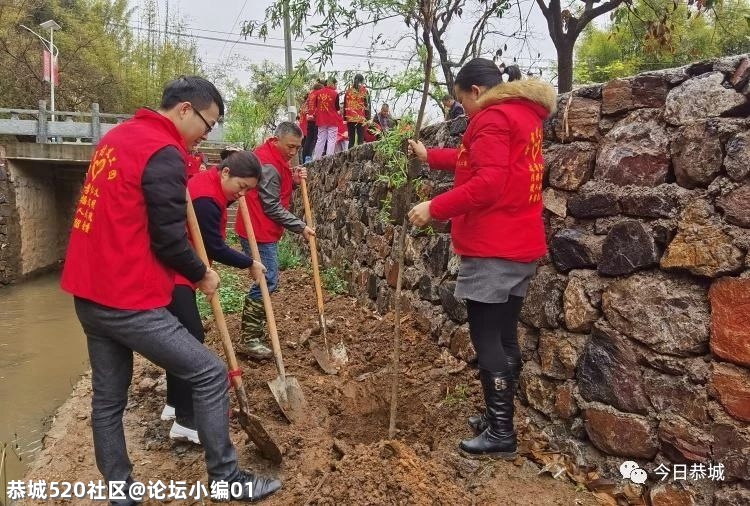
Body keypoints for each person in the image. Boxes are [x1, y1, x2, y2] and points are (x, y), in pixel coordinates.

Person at [60, 75, 281, 503]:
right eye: (208, 122)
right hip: (126, 297)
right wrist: (201, 272)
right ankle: (226, 478)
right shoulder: (162, 152)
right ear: (185, 110)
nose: (208, 132)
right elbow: (168, 236)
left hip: (88, 291)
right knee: (211, 372)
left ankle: (120, 492)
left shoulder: (118, 137)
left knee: (108, 399)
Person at [407, 59, 556, 460]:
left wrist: (435, 207)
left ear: (474, 91)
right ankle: (497, 417)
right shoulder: (524, 115)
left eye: (461, 101)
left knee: (486, 337)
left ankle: (501, 432)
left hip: (492, 244)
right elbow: (472, 160)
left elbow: (486, 183)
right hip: (521, 243)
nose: (463, 111)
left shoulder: (491, 119)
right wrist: (428, 155)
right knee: (505, 335)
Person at [162, 150, 266, 446]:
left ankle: (173, 403)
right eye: (241, 186)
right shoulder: (207, 200)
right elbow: (215, 246)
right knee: (188, 339)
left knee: (180, 336)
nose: (242, 194)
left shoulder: (210, 186)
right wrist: (248, 262)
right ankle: (185, 419)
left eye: (248, 189)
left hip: (182, 269)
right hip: (176, 271)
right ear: (225, 173)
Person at [235, 122, 315, 359]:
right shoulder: (269, 164)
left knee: (266, 279)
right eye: (290, 146)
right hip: (259, 229)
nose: (293, 152)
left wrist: (293, 179)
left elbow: (276, 186)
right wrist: (300, 226)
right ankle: (249, 338)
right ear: (276, 139)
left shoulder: (273, 156)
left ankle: (255, 332)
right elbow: (271, 205)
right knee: (266, 280)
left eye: (297, 148)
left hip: (263, 228)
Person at [313, 78, 340, 160]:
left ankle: (316, 158)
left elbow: (316, 106)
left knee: (320, 139)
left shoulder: (318, 93)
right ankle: (329, 159)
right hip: (332, 119)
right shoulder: (335, 94)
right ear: (333, 84)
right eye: (336, 84)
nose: (336, 86)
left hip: (321, 119)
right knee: (331, 140)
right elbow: (337, 108)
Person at [343, 73, 370, 148]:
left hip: (350, 117)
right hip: (360, 118)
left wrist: (345, 118)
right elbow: (367, 106)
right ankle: (359, 157)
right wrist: (368, 118)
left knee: (351, 139)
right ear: (362, 81)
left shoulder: (348, 91)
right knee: (360, 139)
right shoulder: (364, 91)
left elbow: (345, 105)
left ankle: (349, 157)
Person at [302, 82, 323, 163]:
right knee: (315, 139)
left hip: (309, 120)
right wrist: (313, 115)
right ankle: (311, 157)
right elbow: (319, 107)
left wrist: (307, 115)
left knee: (309, 139)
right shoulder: (319, 94)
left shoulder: (310, 96)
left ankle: (305, 159)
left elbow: (304, 107)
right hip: (315, 119)